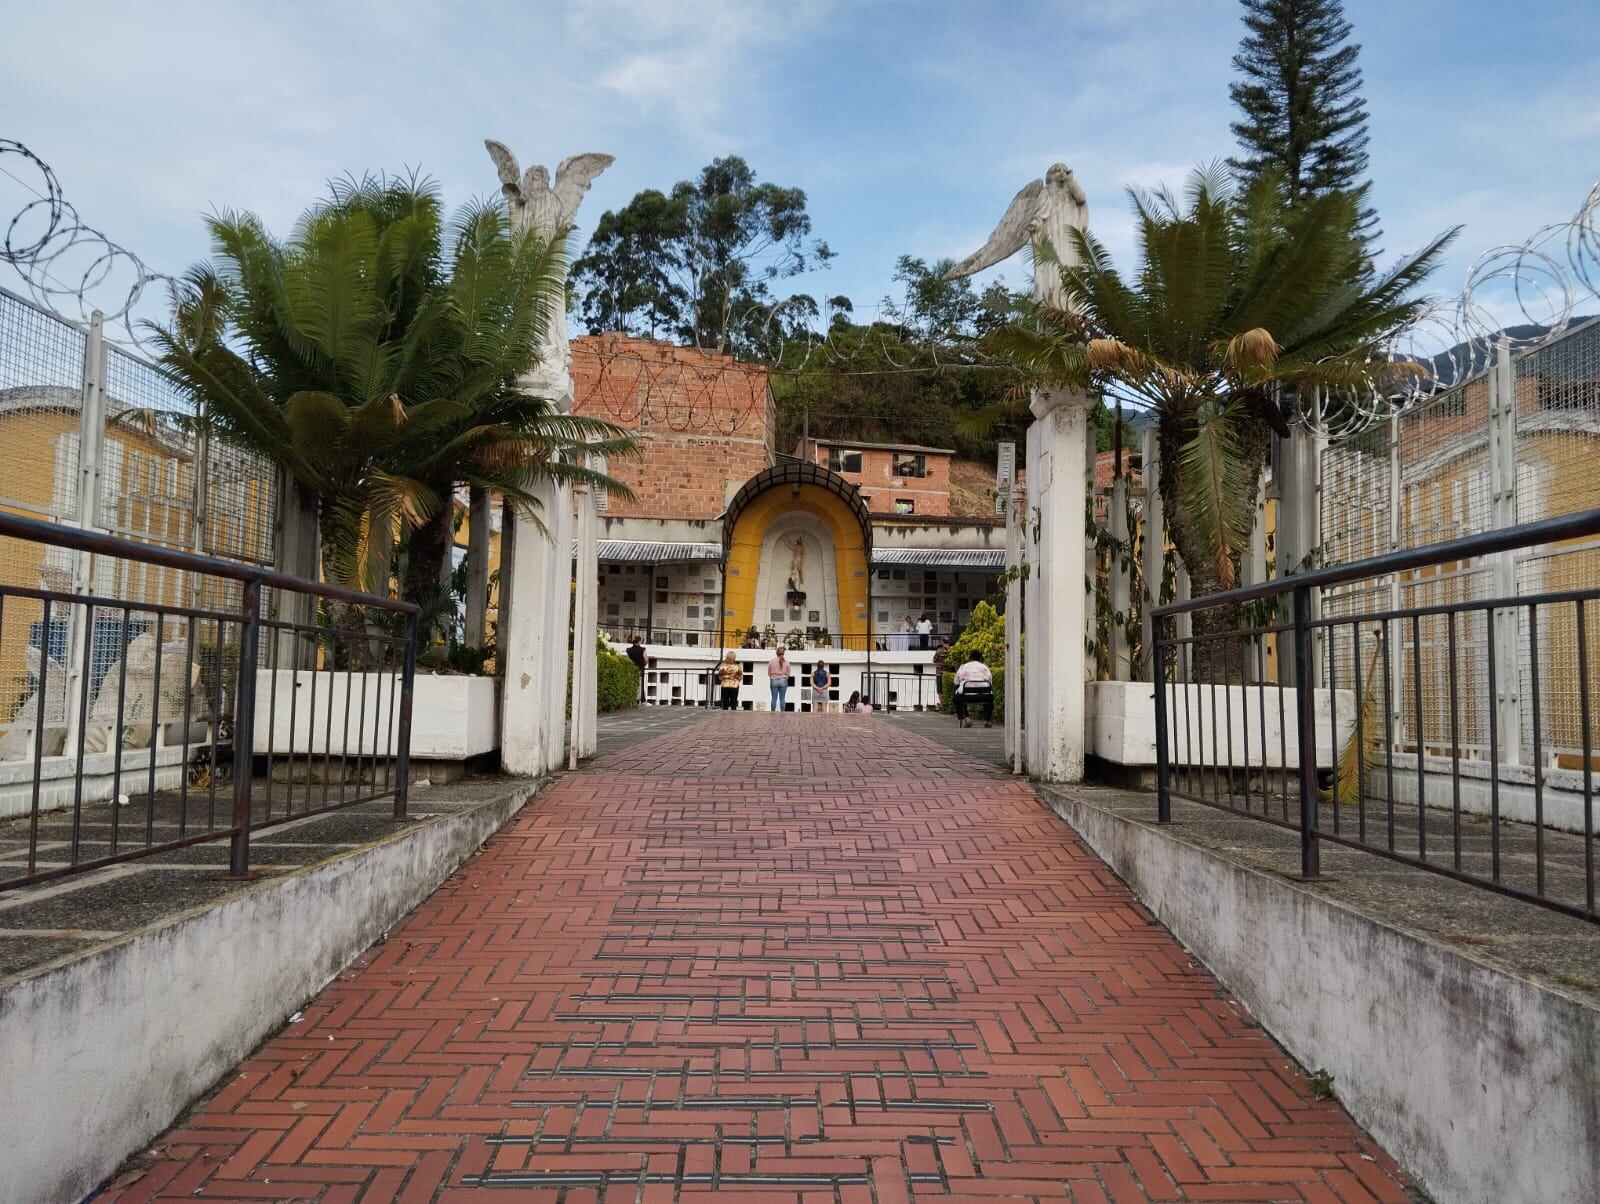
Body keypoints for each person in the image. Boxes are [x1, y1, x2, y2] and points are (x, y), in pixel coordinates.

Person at [952, 651, 995, 728]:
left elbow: (956, 682)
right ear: (981, 658)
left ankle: (967, 718)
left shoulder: (963, 667)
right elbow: (990, 682)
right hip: (984, 696)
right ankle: (987, 720)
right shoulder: (985, 667)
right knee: (989, 694)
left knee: (957, 695)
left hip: (966, 697)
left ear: (970, 658)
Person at [767, 647, 791, 713]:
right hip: (783, 680)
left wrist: (772, 677)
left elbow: (769, 672)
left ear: (776, 653)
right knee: (782, 698)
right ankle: (782, 712)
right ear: (783, 653)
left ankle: (772, 712)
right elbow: (788, 673)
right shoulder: (787, 662)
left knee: (774, 698)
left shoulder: (771, 661)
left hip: (774, 680)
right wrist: (785, 678)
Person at [626, 636, 647, 701]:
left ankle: (632, 698)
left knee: (632, 683)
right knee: (640, 684)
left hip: (631, 669)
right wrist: (644, 664)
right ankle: (638, 700)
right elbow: (646, 659)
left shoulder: (628, 650)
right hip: (640, 668)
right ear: (639, 641)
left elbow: (628, 659)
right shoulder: (643, 649)